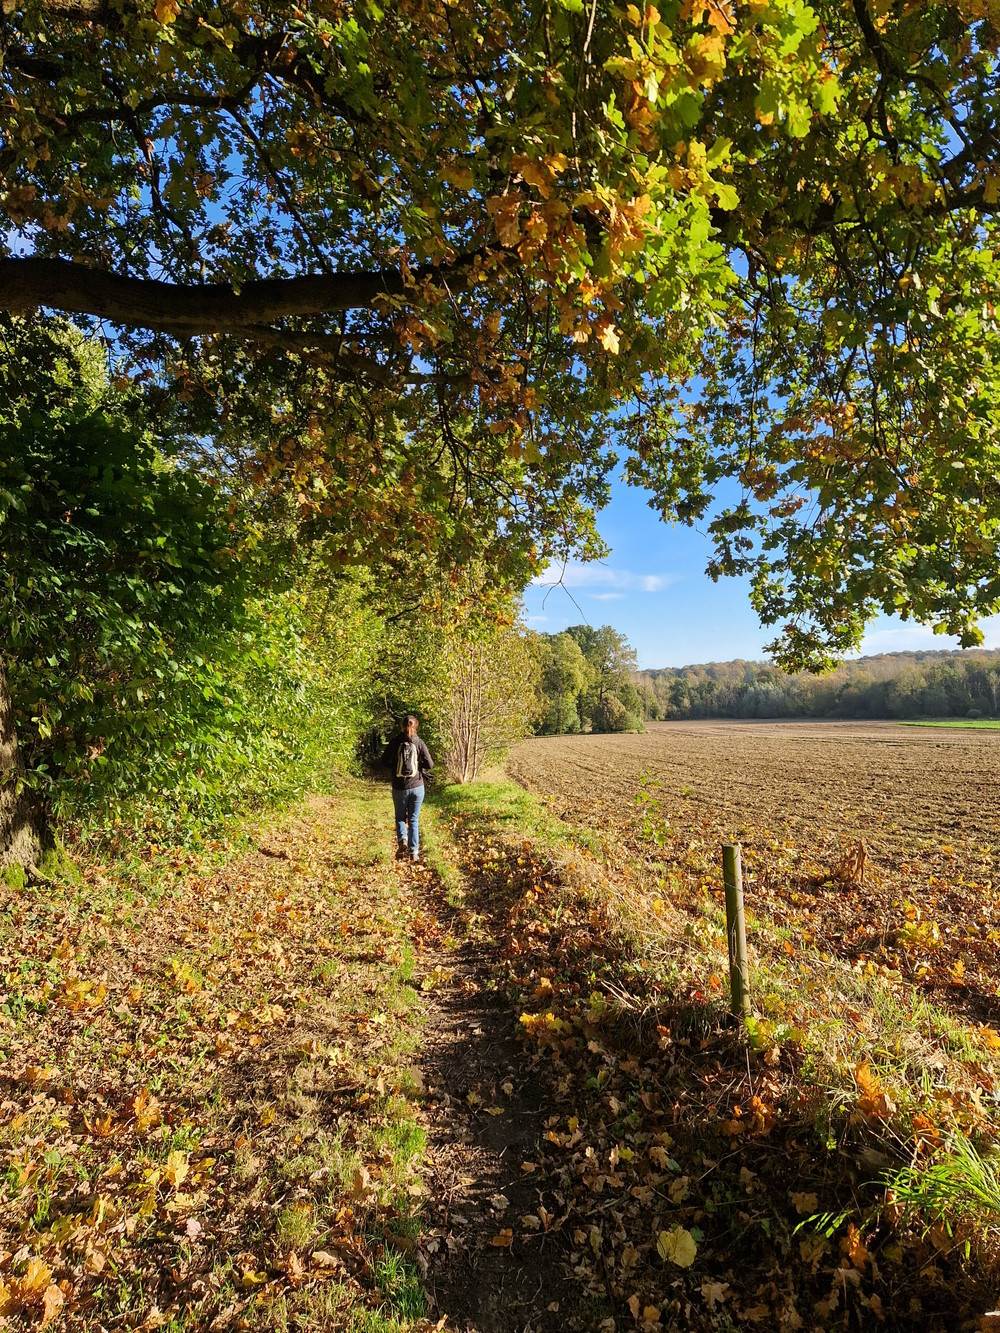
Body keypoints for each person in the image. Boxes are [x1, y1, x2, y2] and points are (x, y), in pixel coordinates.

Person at [381, 714, 433, 863]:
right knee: (413, 820)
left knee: (400, 818)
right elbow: (430, 764)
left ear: (401, 726)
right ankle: (414, 853)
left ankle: (402, 839)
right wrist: (418, 767)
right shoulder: (419, 742)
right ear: (416, 726)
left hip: (399, 787)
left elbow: (384, 761)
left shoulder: (395, 742)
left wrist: (395, 768)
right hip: (417, 786)